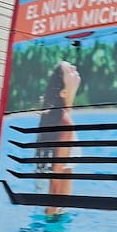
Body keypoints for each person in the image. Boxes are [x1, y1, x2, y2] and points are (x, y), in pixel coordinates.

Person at [38, 60, 82, 215]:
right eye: (69, 70)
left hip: (56, 211)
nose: (75, 67)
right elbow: (55, 175)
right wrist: (51, 216)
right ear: (63, 92)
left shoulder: (58, 118)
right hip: (56, 213)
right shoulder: (65, 123)